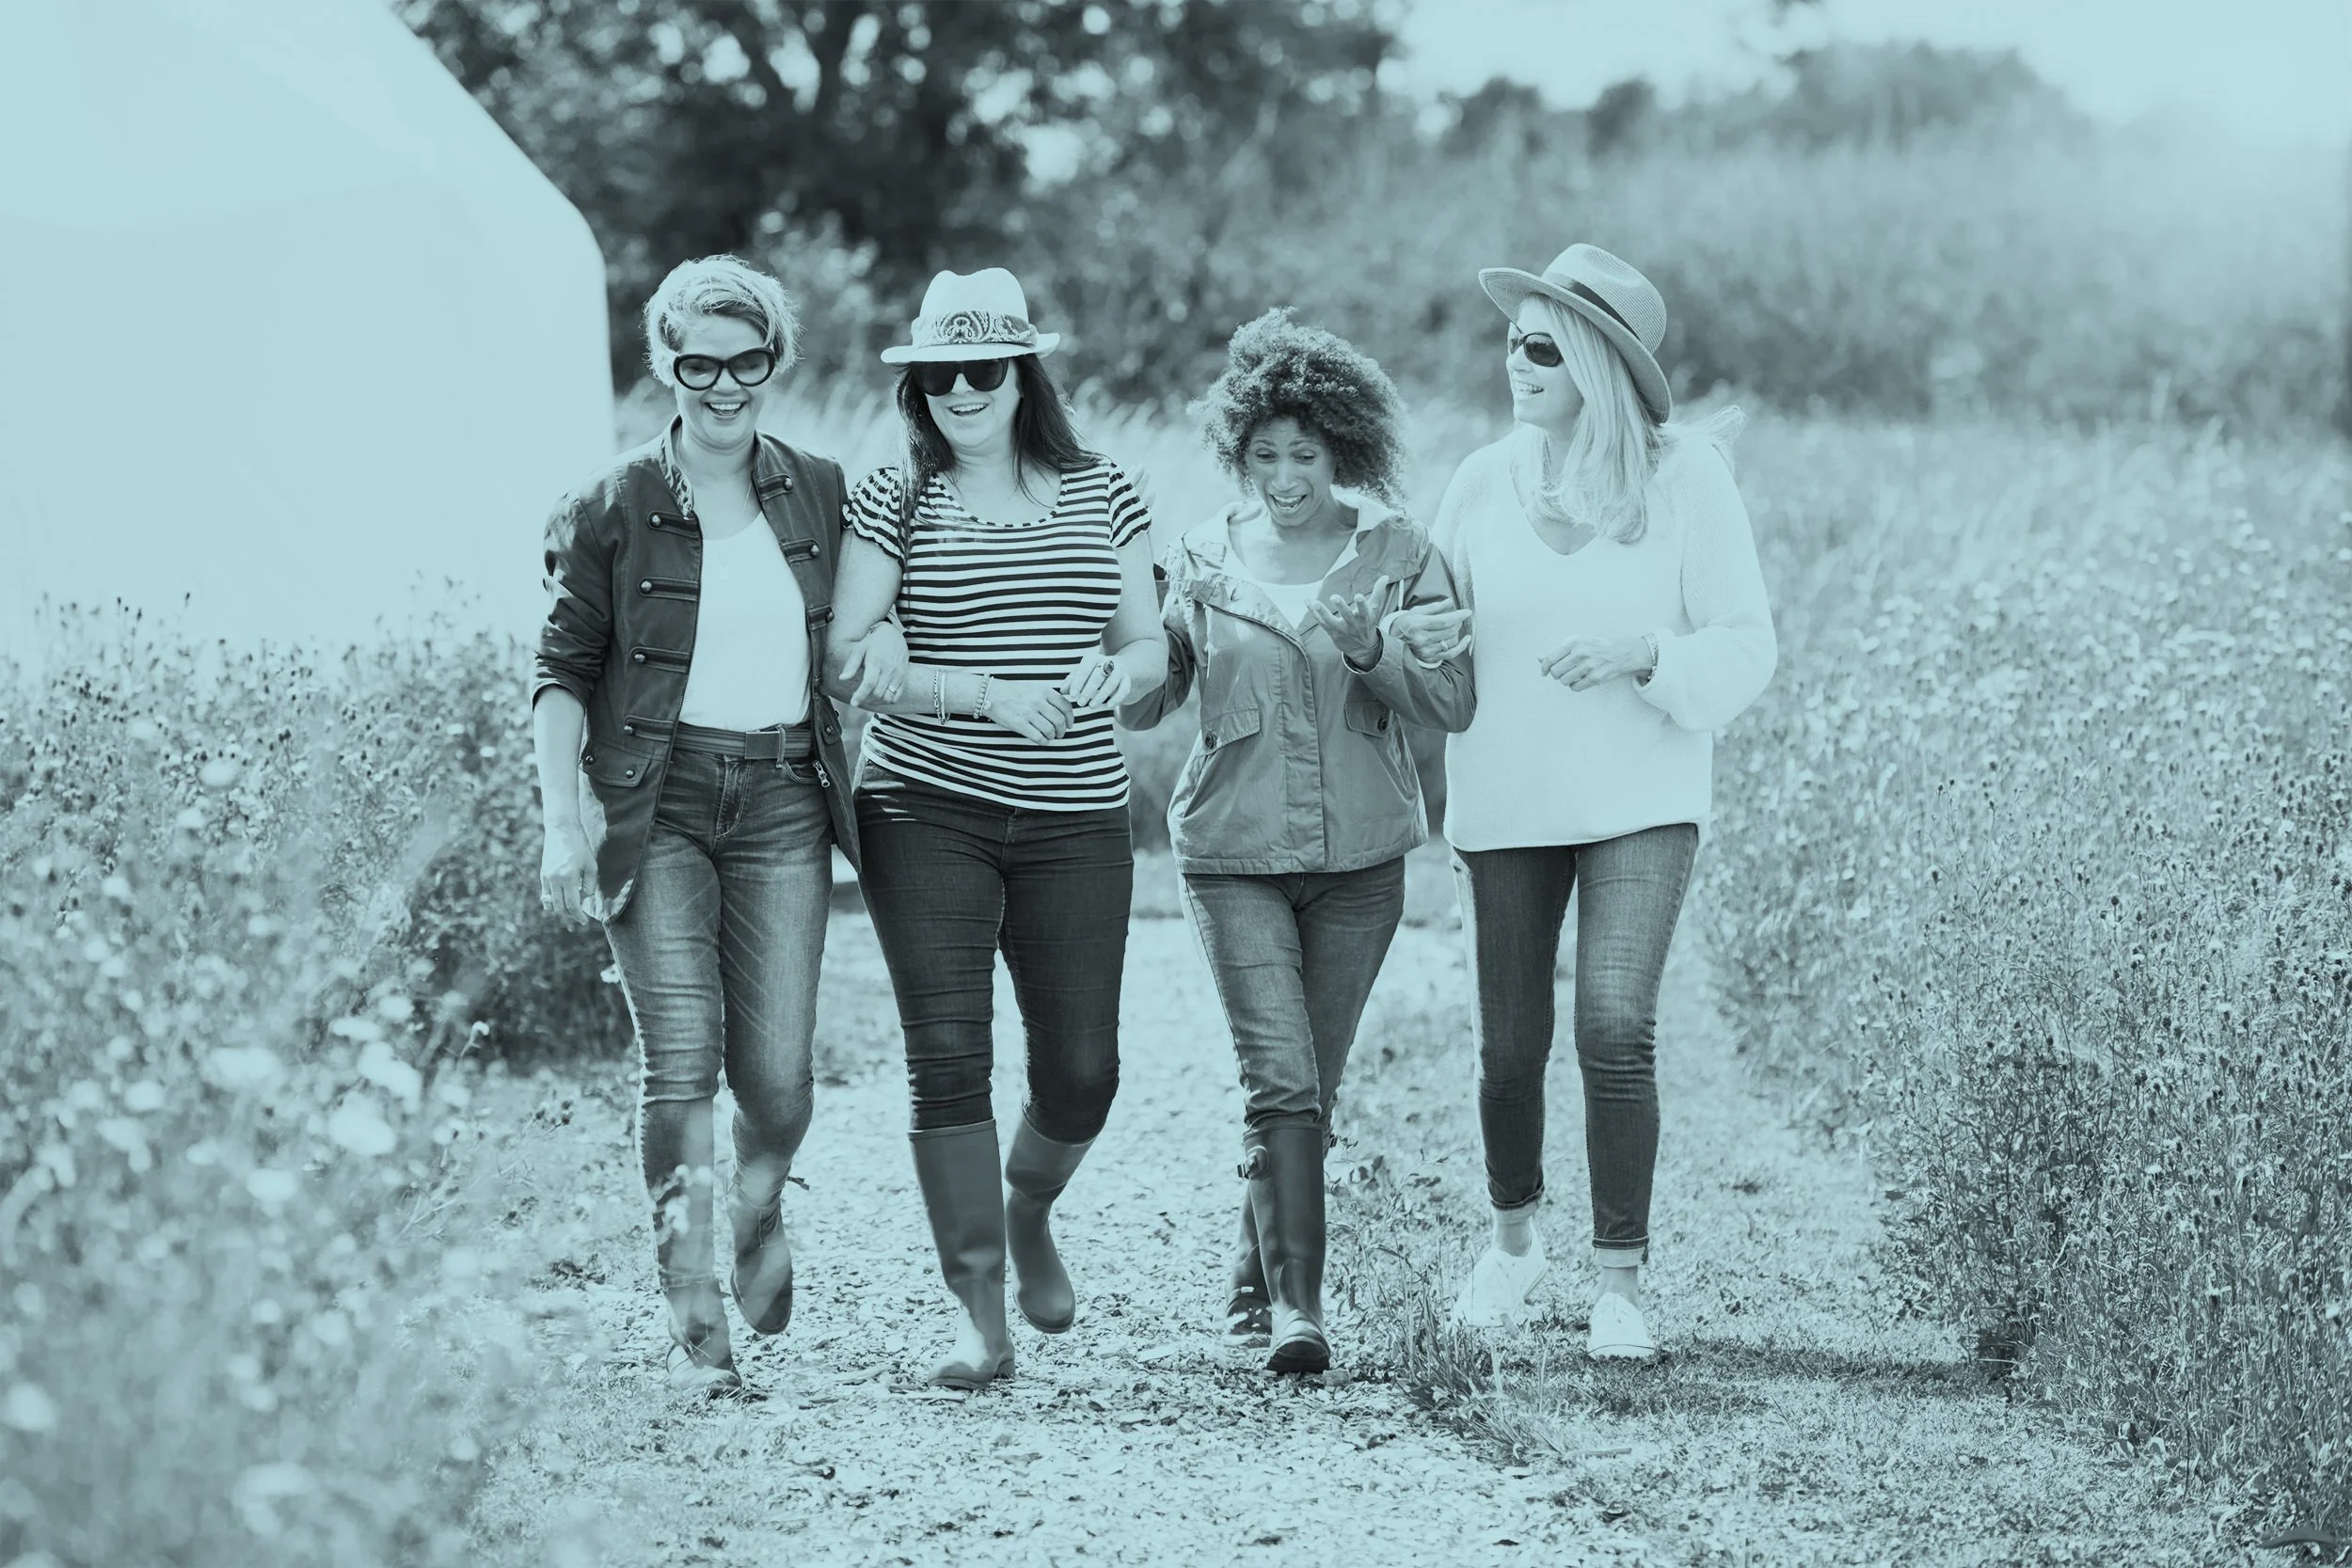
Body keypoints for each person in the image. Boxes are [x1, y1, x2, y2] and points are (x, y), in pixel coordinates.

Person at [532, 256, 885, 1397]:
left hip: (786, 794)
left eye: (748, 361)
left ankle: (754, 1203)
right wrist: (561, 824)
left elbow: (874, 632)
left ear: (773, 361)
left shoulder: (824, 489)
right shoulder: (609, 502)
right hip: (657, 800)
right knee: (680, 1057)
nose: (724, 385)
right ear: (664, 364)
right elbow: (559, 673)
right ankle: (689, 1285)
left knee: (778, 1078)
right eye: (700, 362)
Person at [1418, 244, 1776, 1362]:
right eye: (1510, 340)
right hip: (1507, 802)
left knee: (1615, 1022)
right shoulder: (1479, 480)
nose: (1512, 363)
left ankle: (1619, 1278)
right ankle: (1515, 1241)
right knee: (1509, 1044)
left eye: (1538, 346)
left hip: (1641, 794)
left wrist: (1644, 651)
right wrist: (1412, 638)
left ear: (1593, 363)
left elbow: (1746, 644)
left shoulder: (1685, 479)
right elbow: (1437, 642)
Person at [825, 267, 1167, 1391]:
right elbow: (850, 659)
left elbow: (1149, 645)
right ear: (918, 384)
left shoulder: (1103, 486)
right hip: (925, 806)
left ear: (1025, 374)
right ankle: (978, 1310)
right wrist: (980, 693)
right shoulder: (893, 497)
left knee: (1083, 1072)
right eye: (940, 371)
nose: (961, 388)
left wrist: (1116, 673)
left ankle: (1027, 1212)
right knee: (948, 1055)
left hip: (1076, 811)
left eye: (985, 367)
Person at [1121, 310, 1474, 1373]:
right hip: (1230, 856)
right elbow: (1153, 702)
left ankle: (1251, 1276)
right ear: (1238, 452)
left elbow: (1451, 699)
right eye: (1264, 454)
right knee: (1279, 1081)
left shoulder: (1404, 557)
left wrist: (1372, 650)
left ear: (1344, 452)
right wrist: (1124, 630)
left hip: (1362, 863)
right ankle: (1297, 1311)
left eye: (1305, 455)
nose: (1284, 475)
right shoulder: (1193, 557)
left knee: (1311, 1082)